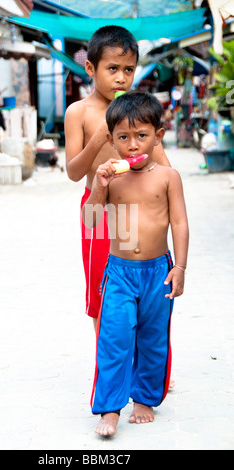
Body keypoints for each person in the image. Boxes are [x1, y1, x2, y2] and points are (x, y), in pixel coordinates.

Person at [82, 90, 189, 436]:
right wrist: (99, 187)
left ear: (158, 136)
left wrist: (181, 268)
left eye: (142, 136)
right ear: (111, 140)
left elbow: (180, 223)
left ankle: (144, 400)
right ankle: (109, 407)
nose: (132, 146)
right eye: (123, 138)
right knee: (113, 337)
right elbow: (91, 220)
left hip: (158, 271)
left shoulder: (168, 178)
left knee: (153, 339)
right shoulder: (112, 179)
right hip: (120, 273)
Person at [64, 26, 171, 330]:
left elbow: (165, 167)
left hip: (136, 207)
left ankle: (146, 367)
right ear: (90, 68)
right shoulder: (78, 112)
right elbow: (73, 173)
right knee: (102, 288)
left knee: (143, 288)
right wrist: (99, 137)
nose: (122, 78)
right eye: (112, 68)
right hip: (98, 207)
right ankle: (107, 368)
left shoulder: (139, 111)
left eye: (128, 69)